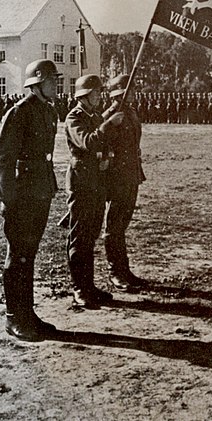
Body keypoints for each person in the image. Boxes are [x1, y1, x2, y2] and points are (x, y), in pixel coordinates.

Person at [0, 59, 60, 342]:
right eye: (51, 81)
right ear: (37, 83)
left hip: (40, 191)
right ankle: (14, 318)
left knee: (29, 254)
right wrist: (8, 199)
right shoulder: (19, 113)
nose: (55, 85)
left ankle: (27, 313)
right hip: (21, 194)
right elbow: (3, 159)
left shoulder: (48, 111)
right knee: (18, 254)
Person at [65, 74, 124, 309]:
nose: (100, 96)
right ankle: (79, 288)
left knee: (90, 235)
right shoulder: (74, 118)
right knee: (79, 237)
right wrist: (109, 125)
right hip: (82, 183)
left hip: (97, 182)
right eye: (96, 93)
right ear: (84, 96)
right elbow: (88, 142)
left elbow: (103, 144)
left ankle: (89, 286)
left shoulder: (95, 115)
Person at [103, 74, 146, 291]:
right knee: (114, 225)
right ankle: (115, 272)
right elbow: (102, 141)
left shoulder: (130, 113)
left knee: (123, 223)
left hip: (131, 174)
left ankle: (124, 270)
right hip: (118, 176)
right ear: (120, 92)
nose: (135, 93)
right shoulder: (111, 115)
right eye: (131, 90)